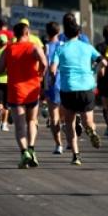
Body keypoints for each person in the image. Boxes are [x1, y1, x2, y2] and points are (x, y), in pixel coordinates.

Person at [50, 16, 106, 166]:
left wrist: (53, 76)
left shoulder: (60, 48)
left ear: (66, 34)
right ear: (79, 33)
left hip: (68, 88)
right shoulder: (87, 47)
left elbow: (52, 69)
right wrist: (94, 68)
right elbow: (103, 61)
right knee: (88, 120)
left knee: (69, 122)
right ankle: (91, 130)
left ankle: (75, 155)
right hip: (87, 88)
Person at [0, 22, 47, 168]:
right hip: (32, 90)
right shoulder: (33, 47)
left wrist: (10, 68)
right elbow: (44, 61)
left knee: (19, 125)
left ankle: (24, 152)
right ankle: (31, 149)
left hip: (16, 91)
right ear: (27, 33)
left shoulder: (9, 49)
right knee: (32, 121)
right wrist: (40, 73)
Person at [44, 21, 64, 155]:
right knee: (67, 115)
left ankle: (59, 145)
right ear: (58, 32)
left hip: (51, 83)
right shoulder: (64, 45)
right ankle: (70, 139)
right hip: (66, 83)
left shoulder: (45, 47)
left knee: (54, 117)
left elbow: (42, 67)